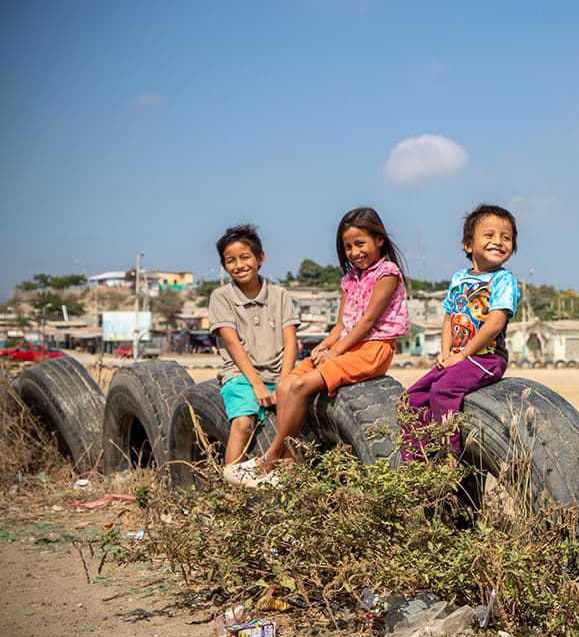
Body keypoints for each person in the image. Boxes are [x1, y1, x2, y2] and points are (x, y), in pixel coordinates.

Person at [222, 207, 409, 486]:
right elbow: (340, 326)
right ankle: (290, 463)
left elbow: (368, 321)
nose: (355, 252)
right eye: (348, 246)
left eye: (361, 243)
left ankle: (270, 458)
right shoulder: (349, 279)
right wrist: (323, 347)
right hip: (349, 345)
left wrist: (337, 351)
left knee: (299, 387)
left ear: (378, 240)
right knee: (286, 384)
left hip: (373, 348)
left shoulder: (387, 273)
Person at [402, 204, 520, 460]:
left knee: (443, 390)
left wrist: (463, 354)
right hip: (457, 358)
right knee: (412, 398)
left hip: (486, 359)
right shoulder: (458, 279)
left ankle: (447, 458)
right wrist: (446, 353)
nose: (498, 242)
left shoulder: (503, 281)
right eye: (489, 235)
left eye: (506, 238)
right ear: (469, 244)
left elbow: (495, 323)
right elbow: (448, 318)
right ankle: (416, 461)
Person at [207, 224, 300, 470]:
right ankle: (233, 482)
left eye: (245, 257)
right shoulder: (221, 297)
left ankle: (288, 483)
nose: (239, 265)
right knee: (243, 424)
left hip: (280, 373)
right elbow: (231, 342)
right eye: (231, 260)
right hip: (242, 376)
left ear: (260, 258)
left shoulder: (279, 295)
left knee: (290, 432)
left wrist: (284, 381)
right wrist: (257, 385)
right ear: (224, 265)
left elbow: (290, 341)